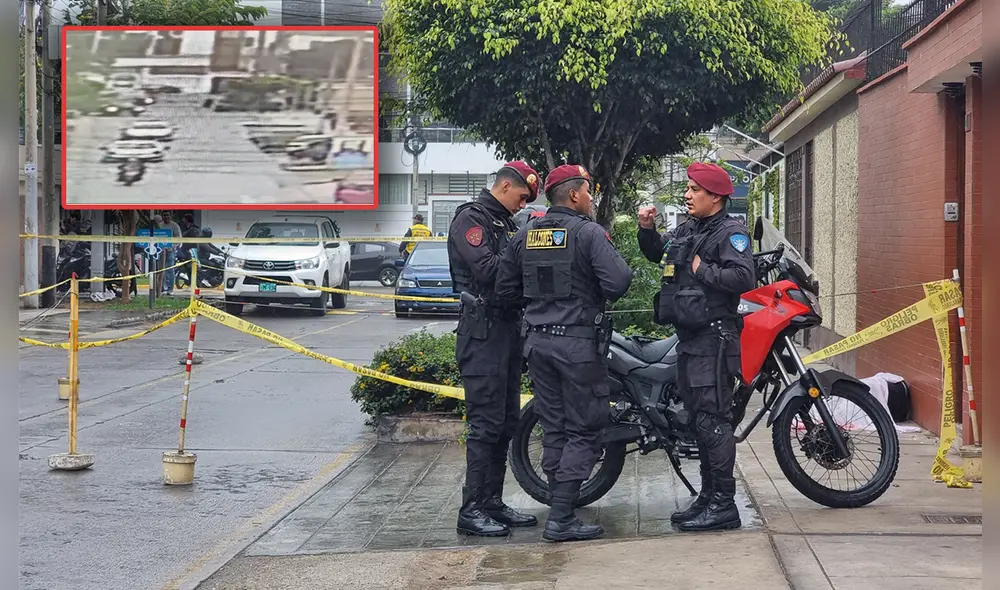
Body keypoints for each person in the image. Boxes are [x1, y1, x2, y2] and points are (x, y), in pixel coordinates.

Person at [496, 164, 633, 542]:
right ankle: (560, 518)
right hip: (576, 345)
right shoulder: (588, 233)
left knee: (554, 427)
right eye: (588, 191)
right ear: (574, 195)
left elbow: (505, 289)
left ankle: (563, 509)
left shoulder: (524, 235)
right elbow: (619, 281)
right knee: (586, 429)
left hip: (537, 343)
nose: (590, 198)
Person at [636, 162, 755, 532]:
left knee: (712, 422)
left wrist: (703, 269)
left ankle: (724, 505)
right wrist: (646, 230)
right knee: (698, 422)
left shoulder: (731, 232)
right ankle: (707, 497)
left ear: (715, 196)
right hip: (689, 339)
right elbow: (660, 252)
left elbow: (743, 276)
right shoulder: (691, 228)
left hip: (713, 340)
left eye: (694, 189)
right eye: (687, 188)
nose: (687, 195)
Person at [447, 161, 542, 537]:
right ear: (506, 187)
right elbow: (488, 270)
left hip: (505, 332)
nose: (522, 205)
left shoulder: (505, 223)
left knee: (506, 423)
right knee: (485, 426)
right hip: (481, 334)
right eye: (521, 196)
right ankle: (471, 509)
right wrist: (521, 249)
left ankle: (492, 502)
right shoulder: (470, 220)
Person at [161, 212, 183, 295]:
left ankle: (170, 289)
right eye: (164, 215)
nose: (166, 217)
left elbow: (178, 238)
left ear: (170, 216)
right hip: (161, 251)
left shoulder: (175, 226)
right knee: (161, 269)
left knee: (170, 269)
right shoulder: (160, 225)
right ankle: (162, 287)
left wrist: (172, 246)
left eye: (168, 215)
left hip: (170, 251)